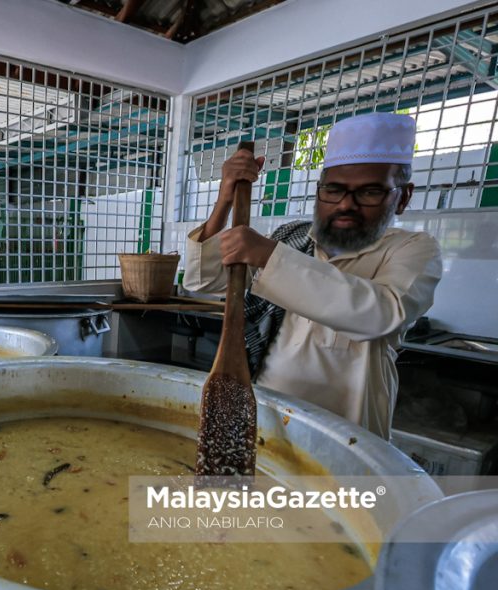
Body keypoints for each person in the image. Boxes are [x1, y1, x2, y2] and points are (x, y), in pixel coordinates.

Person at [184, 113, 442, 440]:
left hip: (345, 433)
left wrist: (268, 255)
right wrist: (224, 201)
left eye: (370, 192)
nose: (346, 204)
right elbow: (203, 282)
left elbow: (381, 314)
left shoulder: (413, 249)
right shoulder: (292, 238)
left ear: (402, 197)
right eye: (334, 189)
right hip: (263, 416)